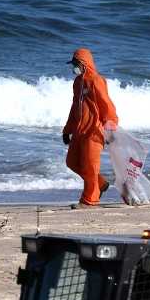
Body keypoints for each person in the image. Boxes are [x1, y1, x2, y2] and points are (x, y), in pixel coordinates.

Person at [63, 48, 119, 207]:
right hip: (80, 131)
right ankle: (100, 184)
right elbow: (74, 108)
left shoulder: (96, 80)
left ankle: (89, 200)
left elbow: (107, 104)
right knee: (72, 162)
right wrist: (67, 130)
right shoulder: (78, 82)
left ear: (83, 64)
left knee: (90, 166)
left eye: (75, 64)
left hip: (95, 131)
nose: (73, 67)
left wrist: (111, 124)